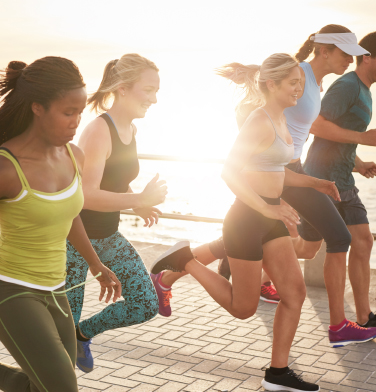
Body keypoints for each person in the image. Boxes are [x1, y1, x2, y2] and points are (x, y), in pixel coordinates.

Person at [151, 26, 376, 346]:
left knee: (247, 240)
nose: (350, 60)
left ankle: (171, 272)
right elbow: (278, 114)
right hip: (279, 170)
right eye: (344, 53)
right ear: (324, 51)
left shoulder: (313, 82)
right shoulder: (301, 76)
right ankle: (338, 325)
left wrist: (339, 169)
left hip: (291, 170)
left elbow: (303, 127)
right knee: (337, 236)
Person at [150, 53, 338, 392]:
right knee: (243, 308)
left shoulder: (281, 120)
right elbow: (229, 171)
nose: (300, 88)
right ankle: (186, 260)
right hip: (247, 220)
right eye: (293, 83)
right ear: (272, 84)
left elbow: (276, 171)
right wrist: (265, 209)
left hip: (270, 217)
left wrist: (315, 183)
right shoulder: (260, 121)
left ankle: (277, 374)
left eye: (301, 82)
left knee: (293, 294)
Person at [0, 57, 121, 392]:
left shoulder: (74, 156)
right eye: (68, 113)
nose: (76, 122)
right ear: (38, 108)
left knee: (47, 386)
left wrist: (96, 264)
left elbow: (68, 217)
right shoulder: (7, 169)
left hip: (57, 288)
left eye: (80, 112)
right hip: (11, 289)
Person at [65, 53, 167, 373]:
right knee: (60, 336)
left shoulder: (130, 130)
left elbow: (112, 183)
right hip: (73, 242)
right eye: (148, 90)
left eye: (156, 91)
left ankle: (83, 334)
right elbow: (86, 196)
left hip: (108, 237)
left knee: (145, 305)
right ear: (122, 89)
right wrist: (137, 197)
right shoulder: (98, 130)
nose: (154, 99)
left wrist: (136, 202)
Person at [303, 31, 376, 347]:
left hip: (344, 178)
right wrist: (363, 138)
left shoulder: (365, 91)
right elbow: (316, 125)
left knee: (363, 241)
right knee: (307, 248)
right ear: (368, 57)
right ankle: (239, 248)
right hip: (322, 179)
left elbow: (339, 135)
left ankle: (364, 317)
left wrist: (359, 163)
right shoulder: (347, 86)